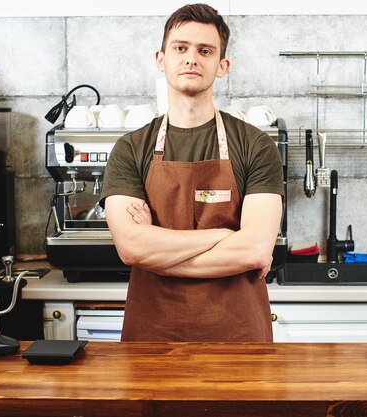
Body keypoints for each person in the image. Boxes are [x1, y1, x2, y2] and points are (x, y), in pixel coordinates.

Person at [100, 3, 283, 342]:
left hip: (238, 341)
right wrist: (224, 236)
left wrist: (156, 250)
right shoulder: (130, 149)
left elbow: (254, 250)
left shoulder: (256, 146)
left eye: (205, 50)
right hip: (151, 341)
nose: (191, 58)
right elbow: (130, 248)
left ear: (222, 65)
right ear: (161, 58)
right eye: (180, 48)